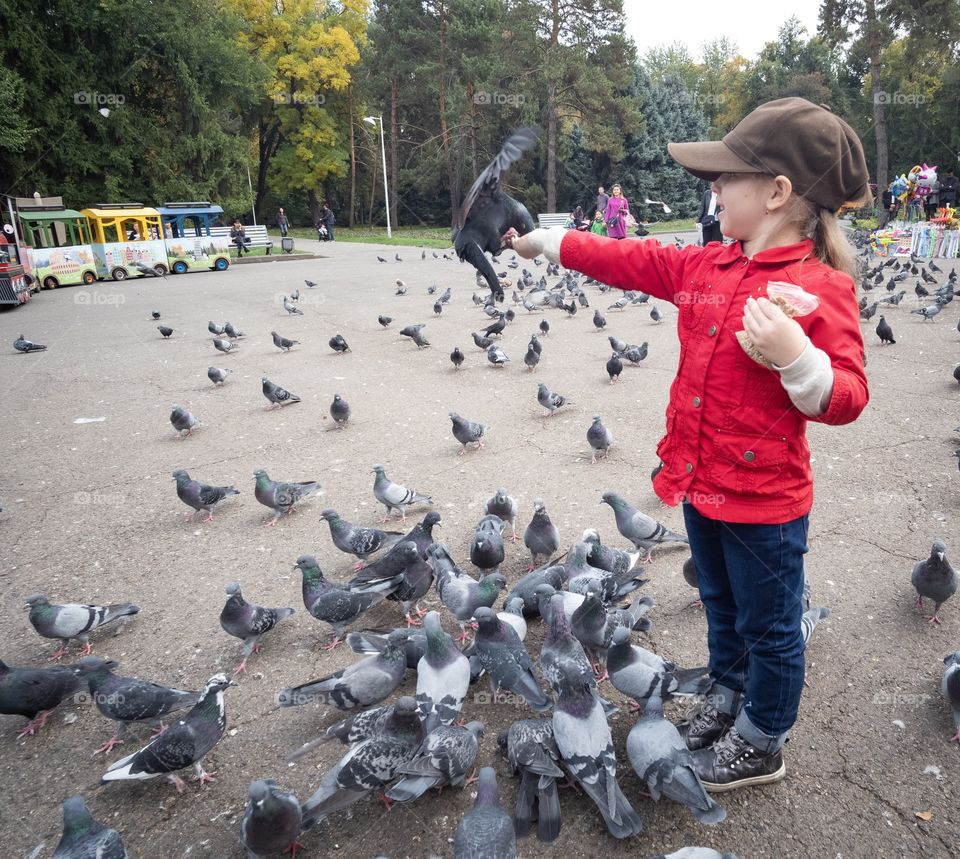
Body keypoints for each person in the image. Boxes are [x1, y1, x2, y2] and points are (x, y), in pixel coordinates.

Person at [506, 97, 869, 792]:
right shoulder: (710, 266)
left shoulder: (820, 288)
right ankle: (729, 697)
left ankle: (763, 738)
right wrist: (544, 242)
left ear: (776, 193)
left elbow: (848, 395)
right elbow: (629, 257)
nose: (713, 188)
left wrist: (799, 358)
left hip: (766, 503)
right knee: (723, 612)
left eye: (724, 177)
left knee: (771, 629)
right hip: (700, 486)